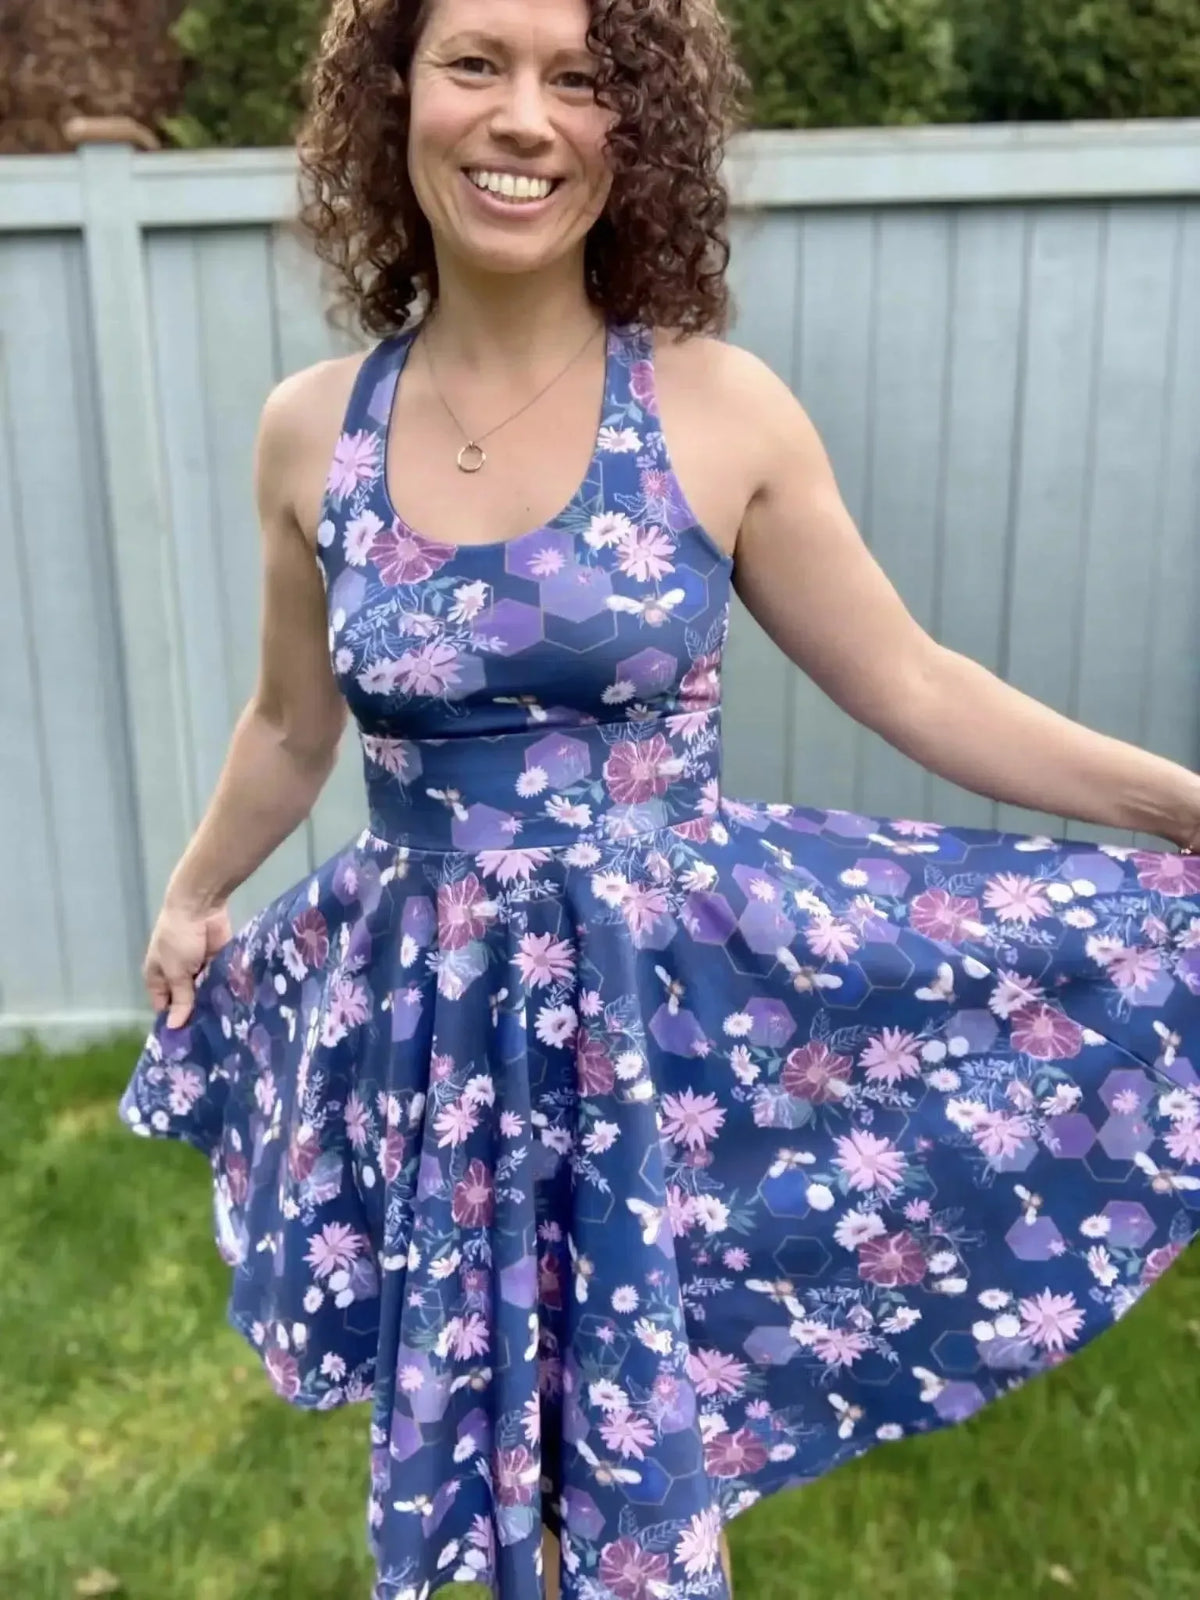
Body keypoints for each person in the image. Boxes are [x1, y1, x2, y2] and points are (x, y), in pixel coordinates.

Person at [118, 0, 1200, 1596]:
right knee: (480, 1457)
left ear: (641, 130)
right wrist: (196, 891)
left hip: (659, 1031)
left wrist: (1178, 805)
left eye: (581, 79)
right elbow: (291, 726)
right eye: (475, 63)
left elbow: (905, 681)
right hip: (440, 1038)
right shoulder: (312, 431)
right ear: (394, 98)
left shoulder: (716, 407)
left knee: (630, 1467)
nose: (524, 120)